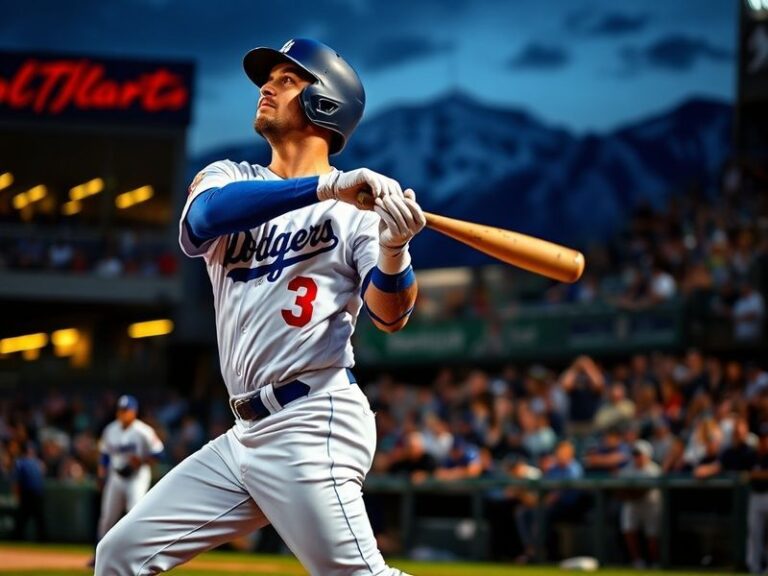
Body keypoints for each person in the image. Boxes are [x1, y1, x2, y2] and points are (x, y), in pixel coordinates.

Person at [95, 38, 425, 576]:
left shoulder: (358, 216)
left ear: (327, 102)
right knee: (119, 556)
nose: (267, 87)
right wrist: (328, 186)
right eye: (268, 78)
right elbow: (205, 219)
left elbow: (391, 315)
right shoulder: (230, 178)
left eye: (288, 80)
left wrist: (394, 249)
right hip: (244, 433)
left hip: (312, 417)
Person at [94, 396, 164, 557]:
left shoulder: (143, 431)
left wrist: (141, 461)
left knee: (134, 513)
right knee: (107, 517)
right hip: (116, 476)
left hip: (137, 477)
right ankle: (99, 555)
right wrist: (101, 473)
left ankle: (138, 554)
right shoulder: (110, 429)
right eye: (121, 410)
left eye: (126, 410)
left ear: (134, 412)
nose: (123, 413)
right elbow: (104, 455)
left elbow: (159, 453)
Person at [616, 440, 661, 569]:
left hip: (651, 505)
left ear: (647, 455)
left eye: (640, 454)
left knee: (652, 536)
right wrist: (626, 494)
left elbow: (642, 492)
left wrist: (630, 494)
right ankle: (637, 561)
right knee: (629, 530)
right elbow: (619, 490)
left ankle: (655, 562)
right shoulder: (627, 469)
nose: (637, 457)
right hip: (633, 505)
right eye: (635, 454)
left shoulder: (654, 470)